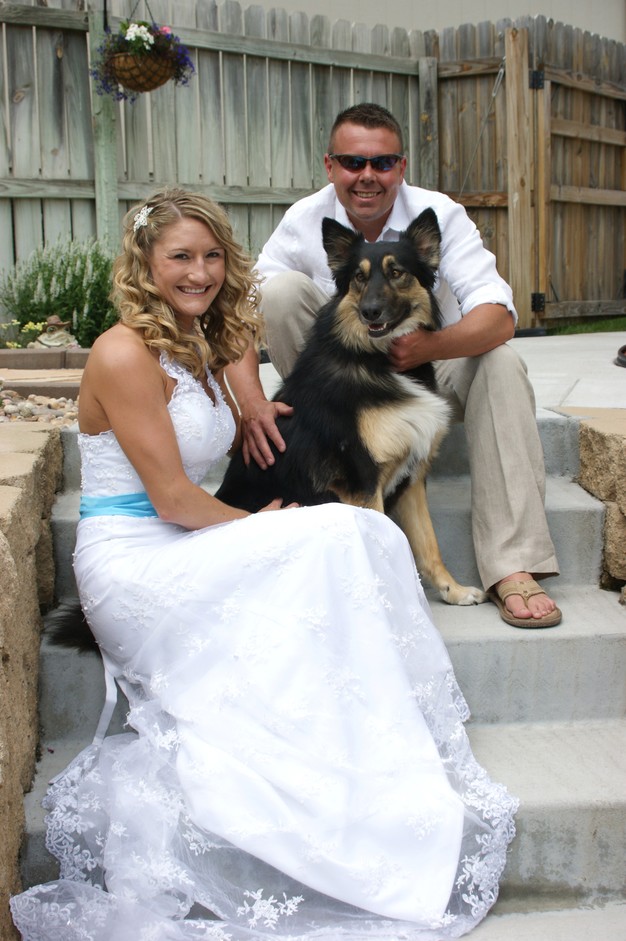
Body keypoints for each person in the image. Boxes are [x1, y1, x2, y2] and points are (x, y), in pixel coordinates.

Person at [11, 187, 517, 940]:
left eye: (212, 256)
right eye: (180, 257)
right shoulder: (122, 352)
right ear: (144, 262)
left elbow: (239, 345)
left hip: (188, 539)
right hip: (138, 556)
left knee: (343, 537)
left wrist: (252, 402)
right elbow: (174, 498)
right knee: (338, 531)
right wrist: (260, 524)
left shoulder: (201, 338)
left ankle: (355, 736)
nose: (199, 272)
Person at [226, 102, 562, 630]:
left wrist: (429, 347)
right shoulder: (305, 219)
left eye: (382, 163)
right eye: (352, 162)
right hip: (344, 378)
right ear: (330, 165)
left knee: (501, 361)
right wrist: (251, 403)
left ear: (400, 167)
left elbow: (498, 315)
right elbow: (241, 314)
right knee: (278, 291)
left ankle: (513, 563)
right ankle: (327, 443)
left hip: (430, 364)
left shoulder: (438, 214)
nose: (367, 175)